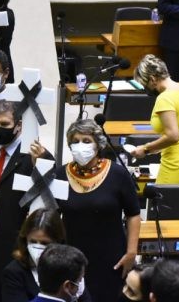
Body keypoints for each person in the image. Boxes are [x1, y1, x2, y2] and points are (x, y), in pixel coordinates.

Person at [55, 119, 141, 302]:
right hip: (74, 258)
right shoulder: (61, 175)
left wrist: (131, 253)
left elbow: (133, 214)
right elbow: (54, 214)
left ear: (98, 144)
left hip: (112, 259)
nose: (80, 146)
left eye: (86, 141)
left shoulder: (117, 174)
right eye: (75, 141)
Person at [0, 99, 50, 302]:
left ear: (19, 125)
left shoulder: (31, 154)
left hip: (12, 239)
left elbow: (51, 185)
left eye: (5, 125)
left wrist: (43, 160)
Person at [1, 208, 92, 302]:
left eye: (45, 243)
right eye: (33, 241)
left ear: (58, 242)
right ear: (25, 239)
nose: (37, 248)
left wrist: (77, 293)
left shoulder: (68, 267)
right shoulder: (14, 272)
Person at [130, 54, 179, 183]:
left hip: (176, 167)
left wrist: (145, 148)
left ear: (153, 79)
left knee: (162, 202)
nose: (146, 89)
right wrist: (155, 148)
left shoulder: (165, 98)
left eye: (145, 84)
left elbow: (173, 136)